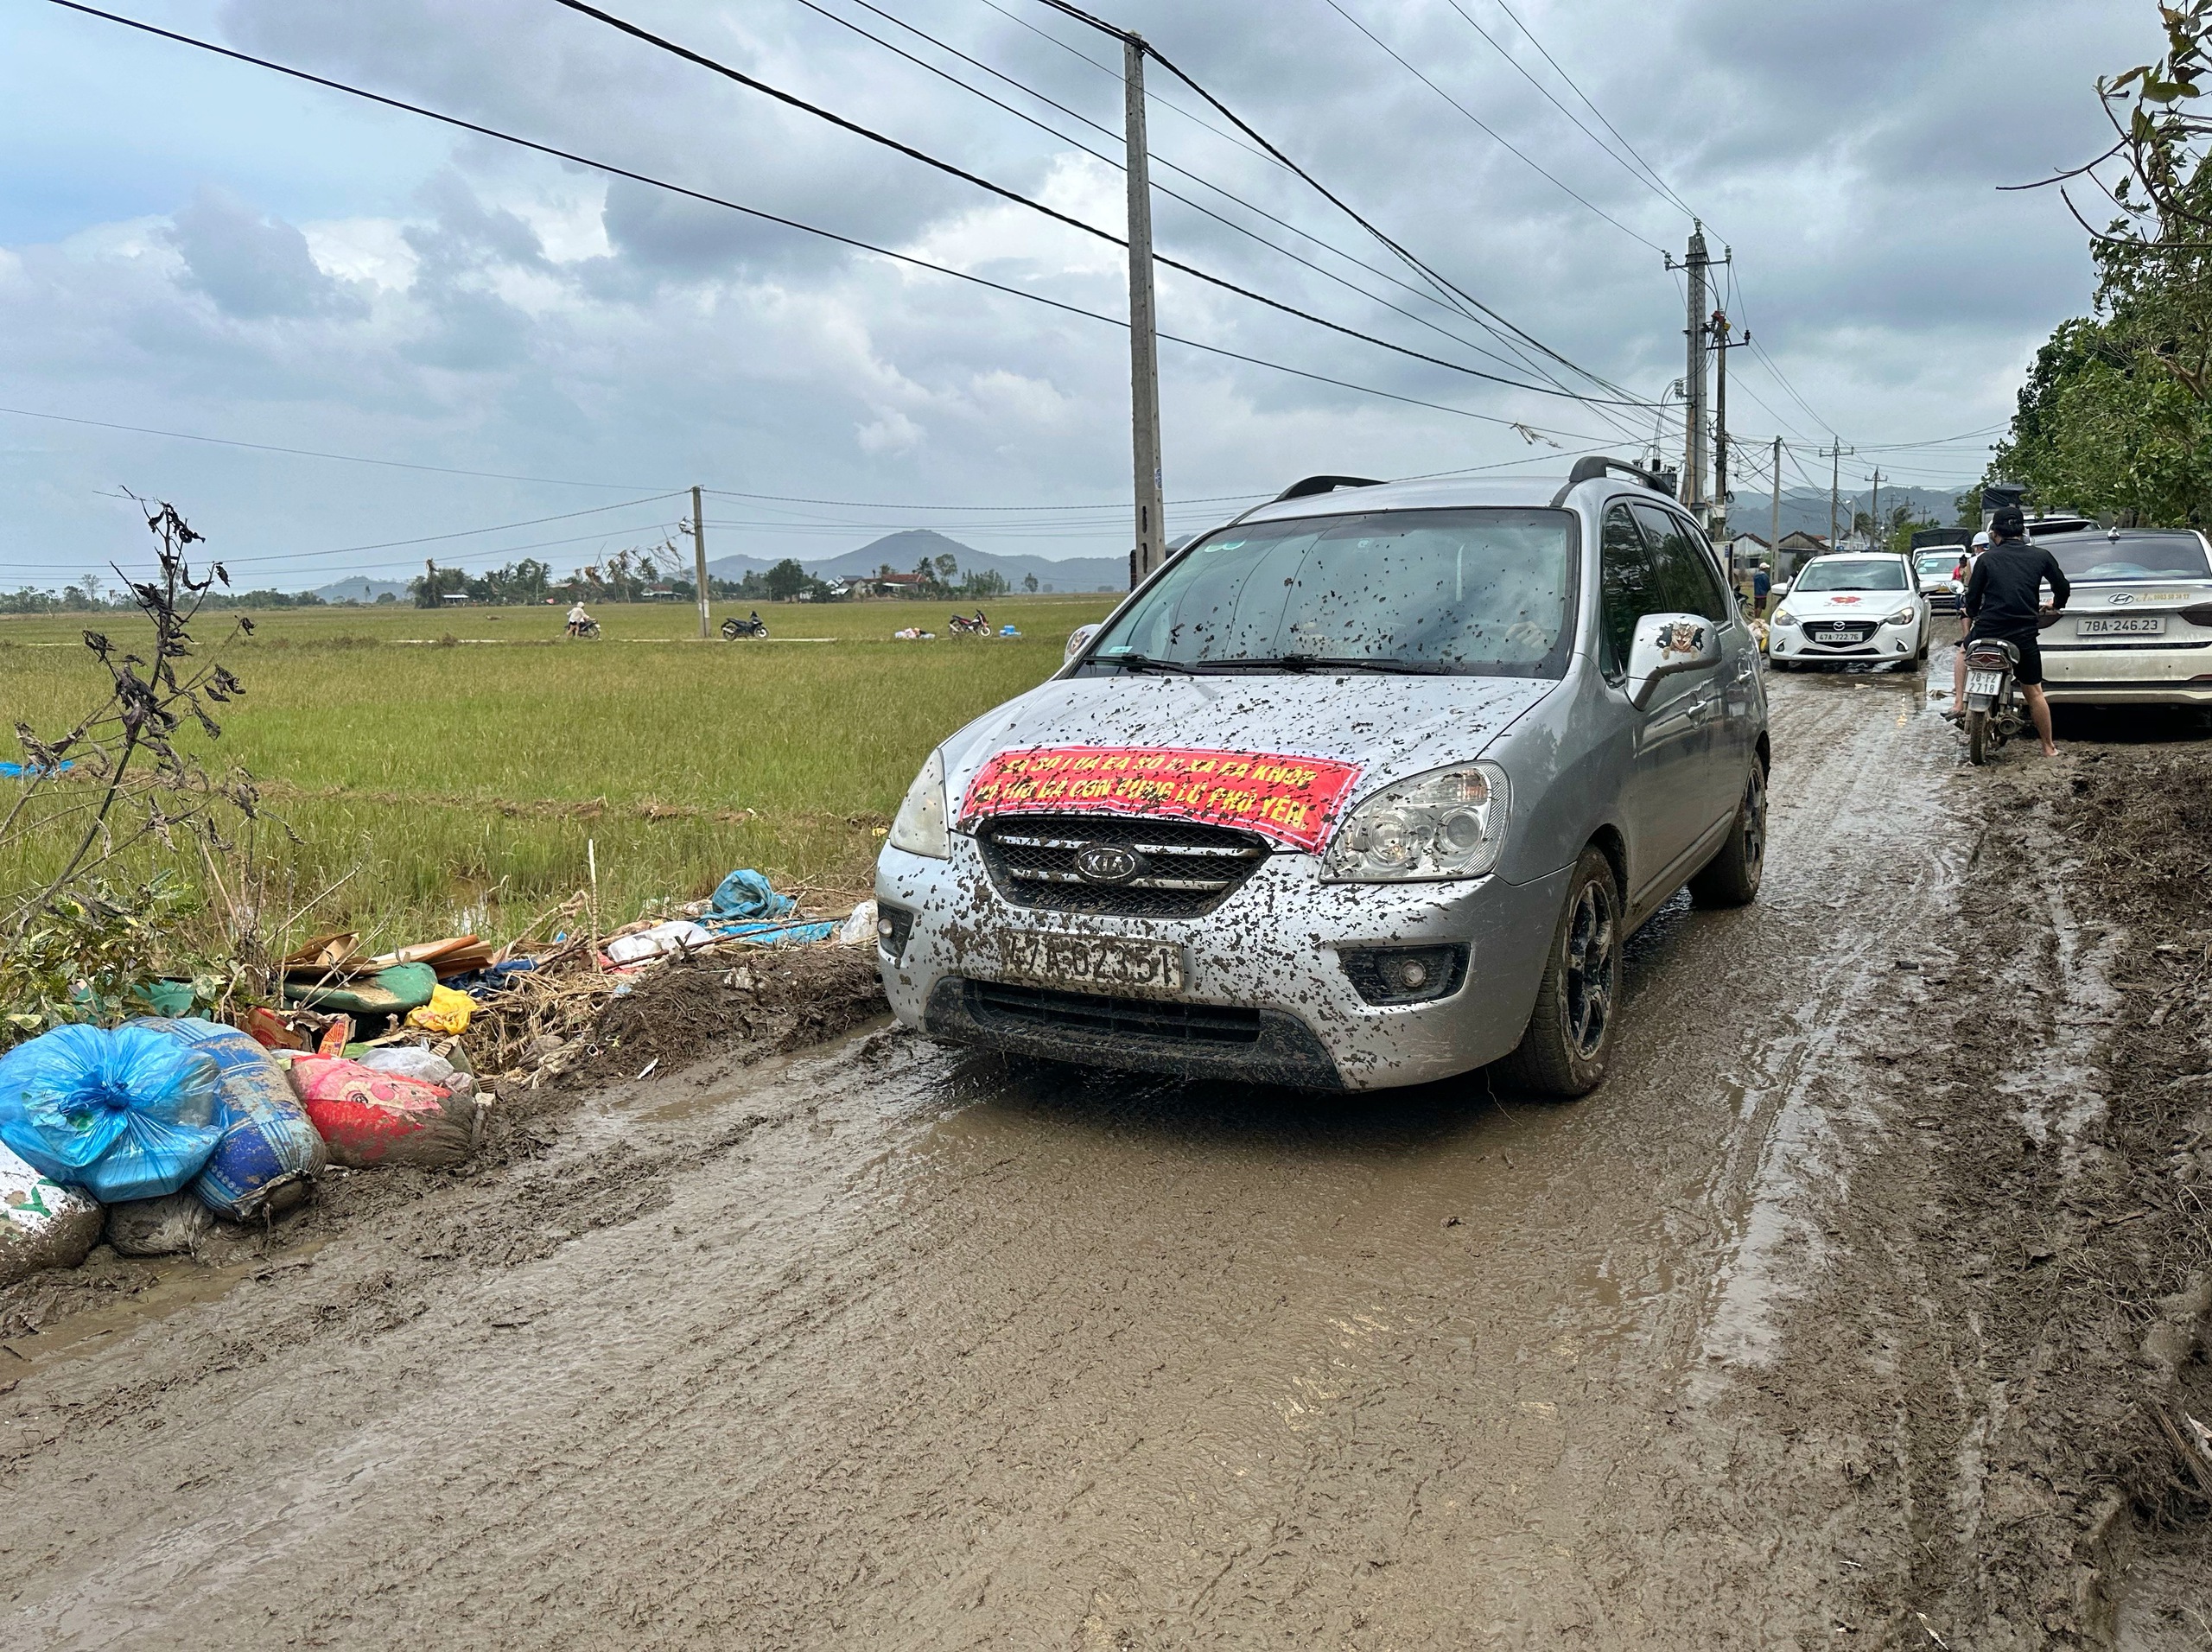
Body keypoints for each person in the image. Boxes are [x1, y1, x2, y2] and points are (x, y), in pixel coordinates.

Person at [1949, 508, 2068, 755]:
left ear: (1994, 534)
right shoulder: (2041, 556)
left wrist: (1972, 614)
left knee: (1963, 652)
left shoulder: (1985, 560)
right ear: (2022, 531)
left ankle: (1959, 701)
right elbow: (2062, 587)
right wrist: (2055, 605)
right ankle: (2048, 747)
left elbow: (1972, 599)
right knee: (2034, 692)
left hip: (1987, 631)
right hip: (2023, 635)